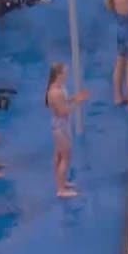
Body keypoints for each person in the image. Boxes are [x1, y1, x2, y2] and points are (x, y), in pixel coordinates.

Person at [45, 63, 89, 198]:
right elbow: (63, 111)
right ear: (58, 74)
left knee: (59, 155)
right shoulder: (55, 92)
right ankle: (60, 189)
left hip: (61, 125)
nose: (67, 74)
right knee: (65, 157)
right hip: (61, 126)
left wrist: (74, 98)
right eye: (65, 72)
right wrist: (78, 102)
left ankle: (61, 182)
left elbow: (63, 101)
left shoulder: (58, 88)